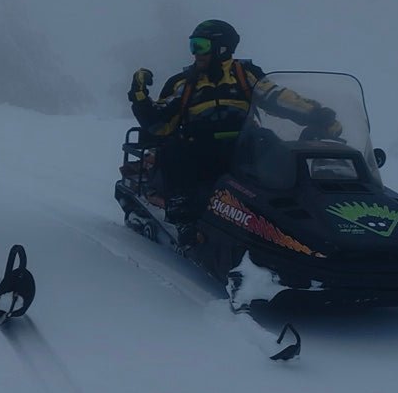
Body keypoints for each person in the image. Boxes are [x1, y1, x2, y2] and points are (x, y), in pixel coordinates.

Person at [128, 19, 339, 236]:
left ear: (221, 48)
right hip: (200, 150)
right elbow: (161, 123)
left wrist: (318, 115)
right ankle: (184, 213)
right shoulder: (184, 83)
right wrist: (140, 98)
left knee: (277, 148)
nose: (196, 53)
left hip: (242, 145)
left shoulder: (244, 75)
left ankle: (300, 212)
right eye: (193, 46)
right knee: (174, 148)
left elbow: (278, 98)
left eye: (201, 46)